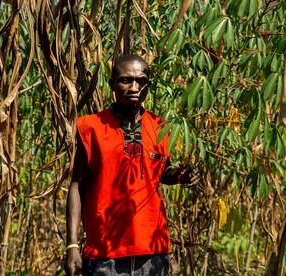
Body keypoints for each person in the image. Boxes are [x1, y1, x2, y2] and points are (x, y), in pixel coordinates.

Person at [66, 54, 199, 275]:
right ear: (112, 85)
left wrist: (180, 175)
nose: (134, 86)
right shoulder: (90, 127)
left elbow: (161, 170)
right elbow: (76, 186)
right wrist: (72, 246)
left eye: (141, 80)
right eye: (126, 80)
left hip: (153, 250)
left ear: (148, 85)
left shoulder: (161, 128)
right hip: (104, 252)